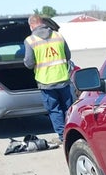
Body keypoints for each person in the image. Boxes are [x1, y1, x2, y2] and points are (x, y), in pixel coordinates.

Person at [23, 14, 73, 143]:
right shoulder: (58, 36)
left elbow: (29, 63)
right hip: (63, 79)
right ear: (43, 22)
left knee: (54, 110)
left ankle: (63, 137)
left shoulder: (30, 40)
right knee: (68, 108)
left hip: (46, 82)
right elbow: (68, 56)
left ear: (31, 25)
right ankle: (72, 133)